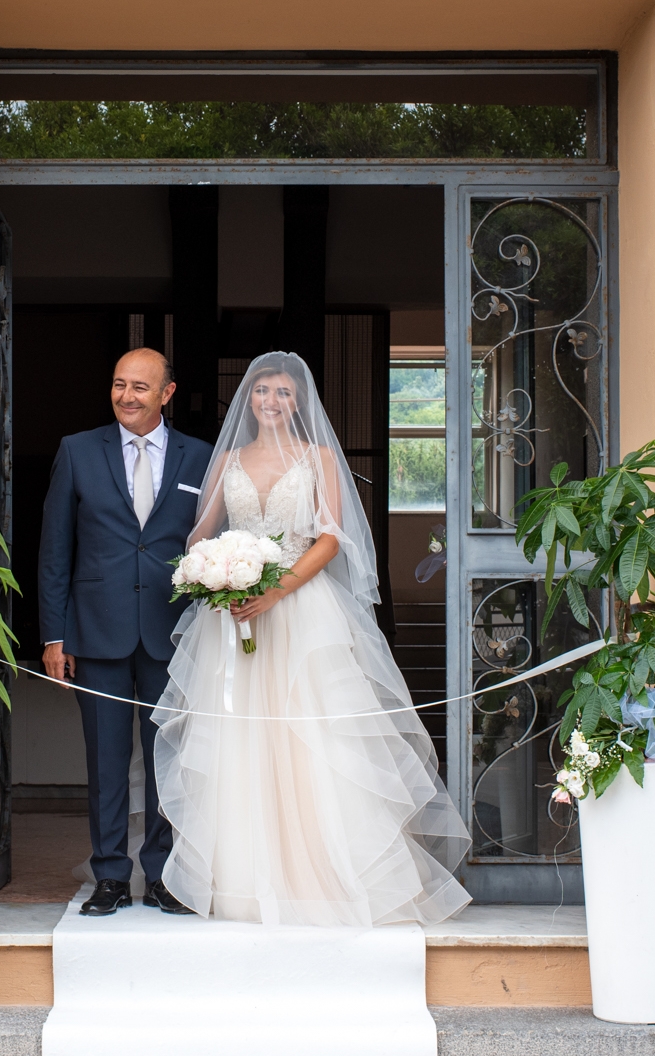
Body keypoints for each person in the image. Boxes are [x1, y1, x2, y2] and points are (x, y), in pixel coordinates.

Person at [153, 352, 471, 926]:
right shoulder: (228, 458)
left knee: (315, 739)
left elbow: (329, 539)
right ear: (247, 400)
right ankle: (245, 879)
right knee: (240, 741)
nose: (271, 402)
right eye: (261, 392)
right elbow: (205, 528)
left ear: (299, 401)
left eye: (282, 393)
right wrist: (205, 567)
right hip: (238, 613)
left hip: (303, 611)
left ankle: (323, 875)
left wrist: (278, 591)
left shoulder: (319, 456)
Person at [38, 348, 215, 917]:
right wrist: (54, 635)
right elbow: (54, 552)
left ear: (167, 393)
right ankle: (110, 877)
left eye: (141, 387)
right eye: (118, 385)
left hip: (173, 636)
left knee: (168, 761)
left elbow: (211, 543)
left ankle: (164, 876)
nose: (126, 396)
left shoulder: (202, 458)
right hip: (97, 632)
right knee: (106, 763)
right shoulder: (77, 451)